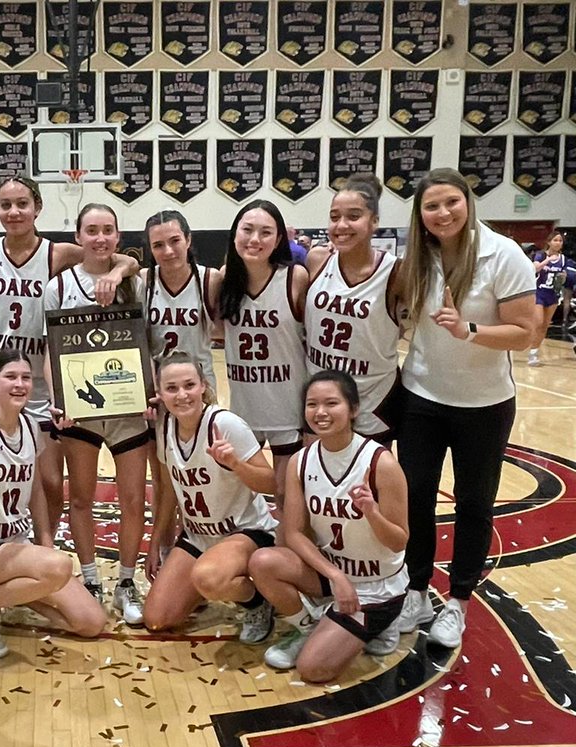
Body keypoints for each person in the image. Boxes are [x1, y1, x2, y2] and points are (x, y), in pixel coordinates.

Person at [0, 176, 137, 545]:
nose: (14, 211)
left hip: (40, 382)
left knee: (50, 481)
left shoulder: (58, 253)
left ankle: (43, 545)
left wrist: (116, 273)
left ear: (37, 207)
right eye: (6, 205)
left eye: (22, 203)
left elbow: (124, 259)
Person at [393, 168, 534, 648]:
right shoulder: (419, 255)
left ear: (468, 202)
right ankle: (415, 588)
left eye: (451, 201)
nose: (443, 213)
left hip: (483, 403)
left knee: (475, 503)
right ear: (420, 215)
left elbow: (526, 331)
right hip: (421, 397)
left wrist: (467, 331)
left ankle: (458, 600)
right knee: (415, 498)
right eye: (431, 206)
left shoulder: (503, 254)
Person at [0, 348, 104, 659]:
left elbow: (36, 489)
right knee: (59, 568)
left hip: (15, 549)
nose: (20, 384)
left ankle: (3, 595)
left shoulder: (29, 427)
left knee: (90, 622)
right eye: (10, 377)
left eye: (26, 377)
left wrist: (46, 541)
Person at [249, 371, 409, 680]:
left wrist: (372, 512)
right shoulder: (301, 461)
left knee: (313, 669)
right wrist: (334, 575)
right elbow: (293, 532)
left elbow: (399, 541)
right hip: (333, 576)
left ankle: (381, 623)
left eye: (331, 403)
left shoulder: (381, 463)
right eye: (312, 405)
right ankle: (311, 628)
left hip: (376, 587)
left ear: (354, 409)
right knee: (263, 561)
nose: (320, 413)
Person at [44, 203, 148, 624]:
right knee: (82, 497)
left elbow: (146, 341)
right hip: (80, 411)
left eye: (108, 230)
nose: (100, 238)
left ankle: (126, 581)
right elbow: (50, 352)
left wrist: (149, 391)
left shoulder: (134, 283)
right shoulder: (59, 286)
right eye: (92, 230)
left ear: (118, 238)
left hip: (127, 407)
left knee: (133, 499)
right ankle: (90, 578)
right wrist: (59, 402)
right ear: (79, 237)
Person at [142, 354, 278, 643]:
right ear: (160, 393)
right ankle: (208, 585)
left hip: (245, 532)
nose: (182, 395)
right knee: (156, 618)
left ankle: (258, 603)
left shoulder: (225, 424)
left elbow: (272, 484)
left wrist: (236, 464)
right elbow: (168, 493)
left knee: (209, 577)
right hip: (198, 536)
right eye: (172, 388)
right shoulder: (165, 428)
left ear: (203, 385)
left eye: (189, 385)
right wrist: (155, 544)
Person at [210, 200, 308, 517]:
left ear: (279, 239)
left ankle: (283, 563)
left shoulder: (295, 278)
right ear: (234, 234)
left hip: (287, 409)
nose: (255, 239)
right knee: (238, 501)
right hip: (243, 411)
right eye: (247, 230)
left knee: (286, 499)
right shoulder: (224, 282)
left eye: (266, 232)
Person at [304, 175, 402, 444]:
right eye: (334, 217)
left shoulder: (397, 273)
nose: (341, 225)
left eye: (354, 216)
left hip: (371, 397)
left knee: (366, 483)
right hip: (320, 395)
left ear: (374, 222)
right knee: (315, 478)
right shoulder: (317, 259)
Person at [144, 210, 215, 388]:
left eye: (175, 241)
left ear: (188, 240)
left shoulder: (210, 280)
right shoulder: (143, 280)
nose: (168, 251)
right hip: (159, 384)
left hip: (199, 383)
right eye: (158, 245)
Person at [527, 231, 572, 365]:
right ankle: (523, 340)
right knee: (538, 322)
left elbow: (563, 277)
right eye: (555, 240)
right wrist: (548, 260)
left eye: (560, 241)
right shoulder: (541, 255)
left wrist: (563, 278)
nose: (558, 243)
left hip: (553, 294)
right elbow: (534, 269)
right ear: (549, 242)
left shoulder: (563, 259)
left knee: (545, 325)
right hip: (539, 293)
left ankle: (533, 353)